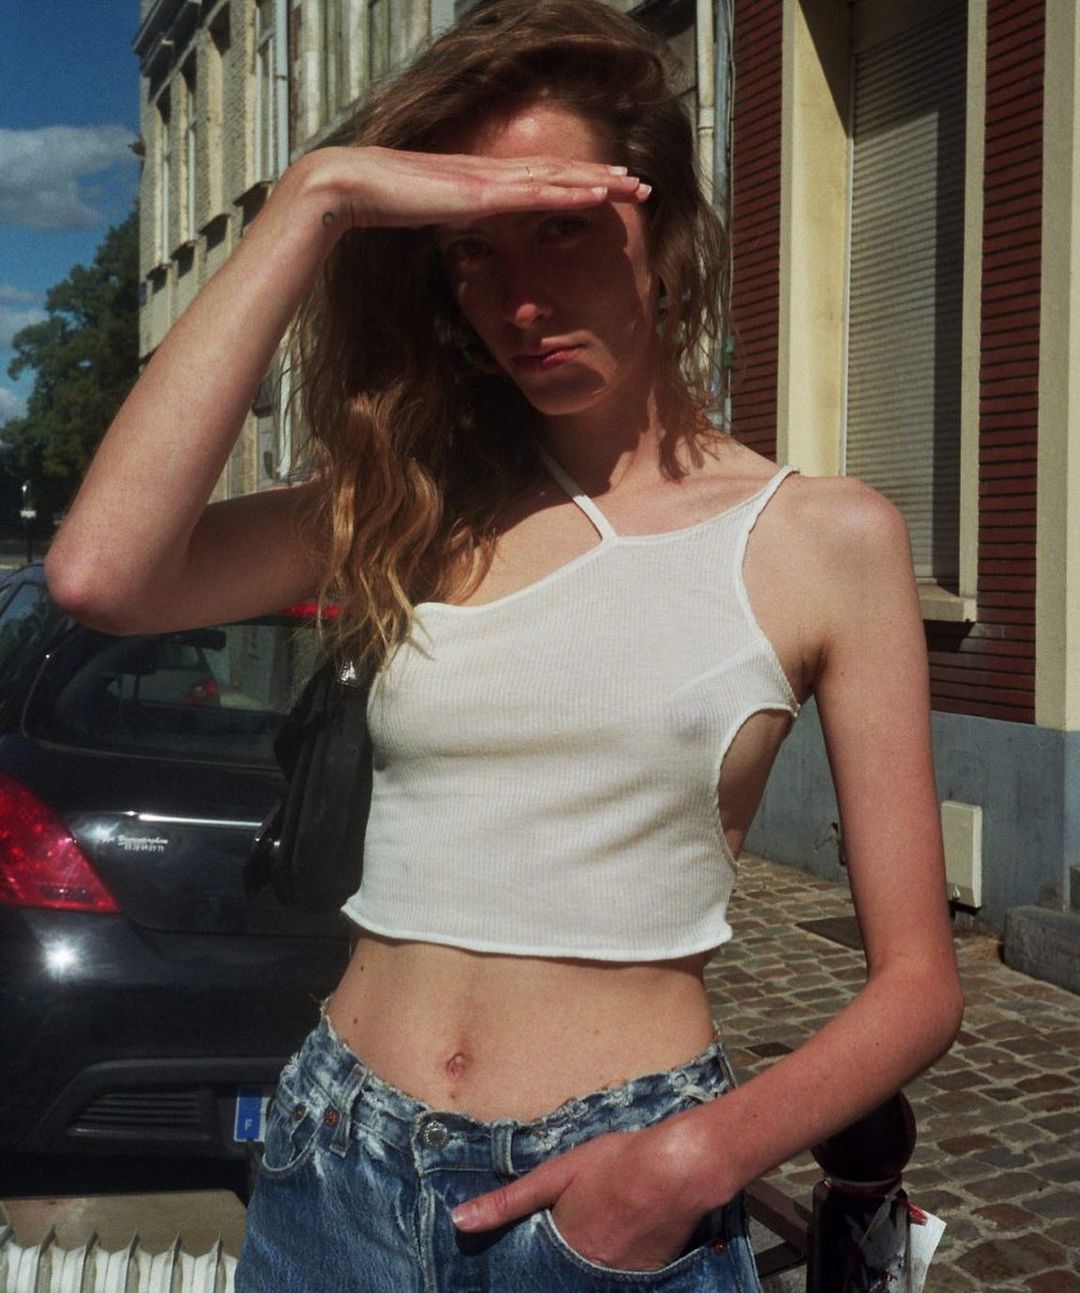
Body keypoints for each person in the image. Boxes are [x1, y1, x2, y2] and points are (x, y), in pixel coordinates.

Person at [47, 1, 963, 1288]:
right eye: (473, 251)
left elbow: (919, 984)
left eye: (562, 229)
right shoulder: (417, 503)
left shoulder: (824, 538)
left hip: (605, 1201)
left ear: (665, 233)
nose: (520, 300)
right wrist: (314, 198)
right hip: (335, 1165)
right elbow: (102, 574)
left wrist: (689, 1165)